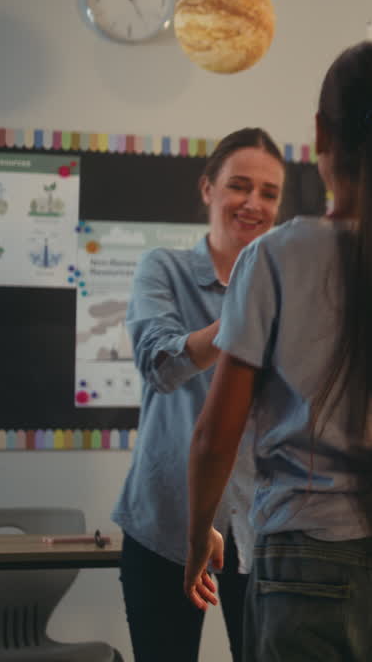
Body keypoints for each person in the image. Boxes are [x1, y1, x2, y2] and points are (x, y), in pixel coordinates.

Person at [183, 40, 372, 662]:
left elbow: (214, 435)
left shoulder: (274, 257)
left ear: (319, 133)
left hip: (302, 557)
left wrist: (193, 539)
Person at [113, 127, 285, 662]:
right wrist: (244, 310)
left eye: (269, 192)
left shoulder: (287, 284)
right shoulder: (162, 269)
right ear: (207, 188)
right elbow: (161, 367)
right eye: (239, 185)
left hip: (261, 529)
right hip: (164, 525)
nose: (253, 203)